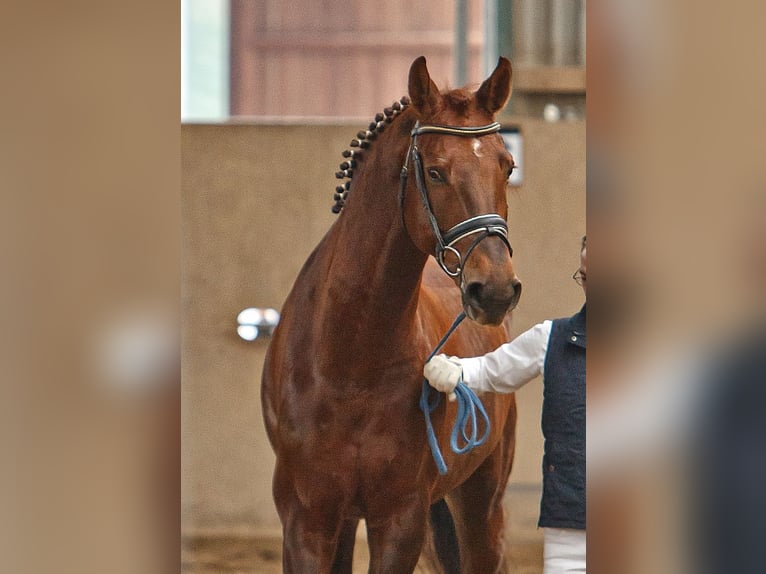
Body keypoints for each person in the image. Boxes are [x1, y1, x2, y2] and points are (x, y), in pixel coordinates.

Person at [424, 236, 586, 574]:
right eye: (585, 276)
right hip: (571, 522)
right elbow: (494, 368)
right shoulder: (552, 339)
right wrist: (455, 370)